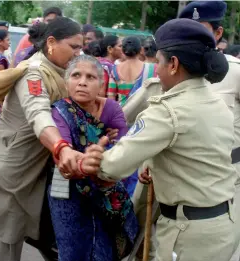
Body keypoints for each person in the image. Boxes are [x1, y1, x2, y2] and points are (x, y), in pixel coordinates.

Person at [80, 18, 240, 261]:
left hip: (188, 233)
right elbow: (195, 155)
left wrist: (95, 157)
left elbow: (113, 166)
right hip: (221, 225)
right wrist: (154, 167)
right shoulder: (216, 102)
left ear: (173, 64)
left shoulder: (167, 111)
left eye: (159, 63)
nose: (157, 69)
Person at [0, 17, 83, 261]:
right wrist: (61, 147)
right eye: (74, 46)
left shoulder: (61, 73)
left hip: (35, 172)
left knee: (33, 238)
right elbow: (39, 115)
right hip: (11, 174)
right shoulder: (33, 74)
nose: (79, 52)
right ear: (51, 43)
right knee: (2, 247)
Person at [48, 54, 138, 261]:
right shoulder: (60, 111)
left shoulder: (112, 108)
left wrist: (101, 155)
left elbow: (123, 148)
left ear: (101, 83)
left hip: (106, 186)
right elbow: (64, 152)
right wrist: (99, 149)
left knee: (105, 246)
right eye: (76, 75)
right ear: (66, 81)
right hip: (67, 186)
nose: (82, 82)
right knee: (73, 247)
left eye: (90, 77)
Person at [179, 2, 240, 260]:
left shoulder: (235, 72)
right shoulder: (176, 70)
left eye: (200, 31)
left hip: (227, 180)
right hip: (180, 178)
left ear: (217, 33)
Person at [107, 36, 157, 107]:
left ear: (123, 50)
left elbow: (111, 99)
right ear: (141, 50)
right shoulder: (152, 68)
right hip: (144, 114)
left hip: (122, 113)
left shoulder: (115, 70)